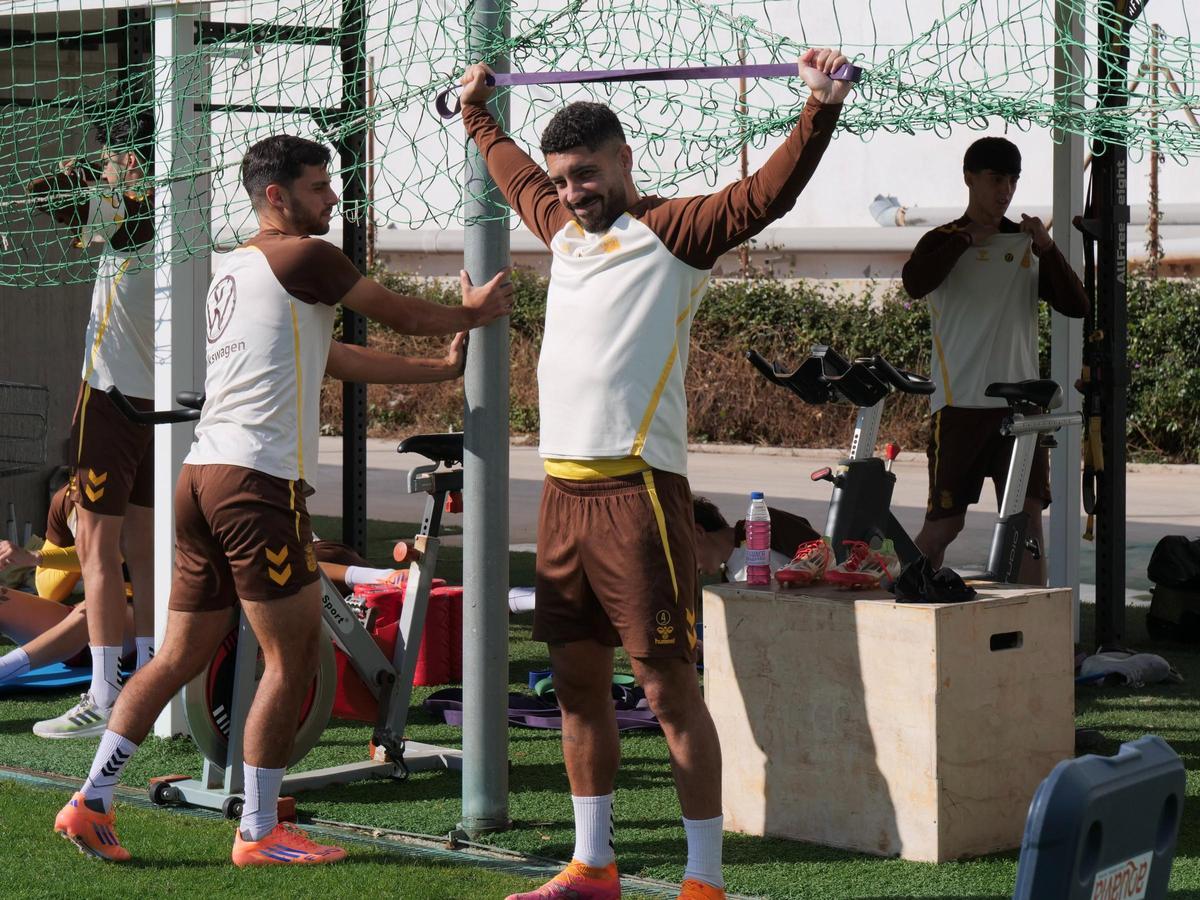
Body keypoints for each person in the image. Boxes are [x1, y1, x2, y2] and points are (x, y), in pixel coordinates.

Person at [51, 133, 512, 866]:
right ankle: (259, 830)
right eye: (319, 186)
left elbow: (331, 355)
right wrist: (473, 312)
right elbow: (393, 309)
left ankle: (91, 801)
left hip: (200, 479)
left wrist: (437, 370)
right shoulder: (308, 257)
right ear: (276, 196)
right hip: (255, 486)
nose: (332, 197)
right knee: (290, 655)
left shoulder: (237, 268)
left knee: (175, 657)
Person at [459, 47, 852, 900]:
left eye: (588, 175)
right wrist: (475, 110)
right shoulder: (561, 229)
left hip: (637, 497)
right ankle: (592, 864)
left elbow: (765, 195)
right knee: (575, 690)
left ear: (624, 162)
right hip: (560, 498)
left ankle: (702, 881)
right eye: (564, 179)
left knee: (670, 692)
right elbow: (510, 170)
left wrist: (818, 105)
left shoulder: (671, 234)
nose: (572, 191)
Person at [901, 137, 1088, 585]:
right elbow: (914, 282)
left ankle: (1032, 632)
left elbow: (1077, 304)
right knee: (946, 525)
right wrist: (967, 238)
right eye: (995, 178)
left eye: (1012, 180)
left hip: (1022, 409)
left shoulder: (1023, 243)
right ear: (969, 178)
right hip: (960, 402)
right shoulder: (941, 240)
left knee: (1026, 522)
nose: (1005, 189)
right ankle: (908, 598)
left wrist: (1047, 247)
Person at [31, 112, 160, 738]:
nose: (104, 172)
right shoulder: (178, 218)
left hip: (110, 401)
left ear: (132, 168)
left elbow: (47, 199)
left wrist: (67, 179)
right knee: (143, 547)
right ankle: (157, 678)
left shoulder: (133, 219)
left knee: (97, 551)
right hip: (161, 406)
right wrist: (80, 179)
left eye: (111, 161)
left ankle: (106, 695)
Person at [691, 495, 818, 581]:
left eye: (682, 554)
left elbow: (823, 554)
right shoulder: (729, 578)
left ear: (698, 532)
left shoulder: (763, 524)